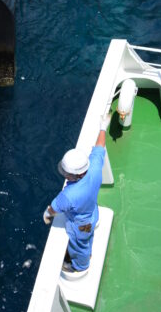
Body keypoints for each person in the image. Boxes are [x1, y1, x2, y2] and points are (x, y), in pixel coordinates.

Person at [42, 112, 111, 277]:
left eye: (67, 173)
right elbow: (99, 148)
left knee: (79, 244)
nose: (65, 175)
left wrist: (47, 214)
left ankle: (80, 266)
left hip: (80, 224)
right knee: (87, 237)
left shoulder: (68, 195)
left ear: (76, 175)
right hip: (92, 212)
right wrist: (103, 127)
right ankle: (85, 252)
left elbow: (53, 208)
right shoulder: (93, 168)